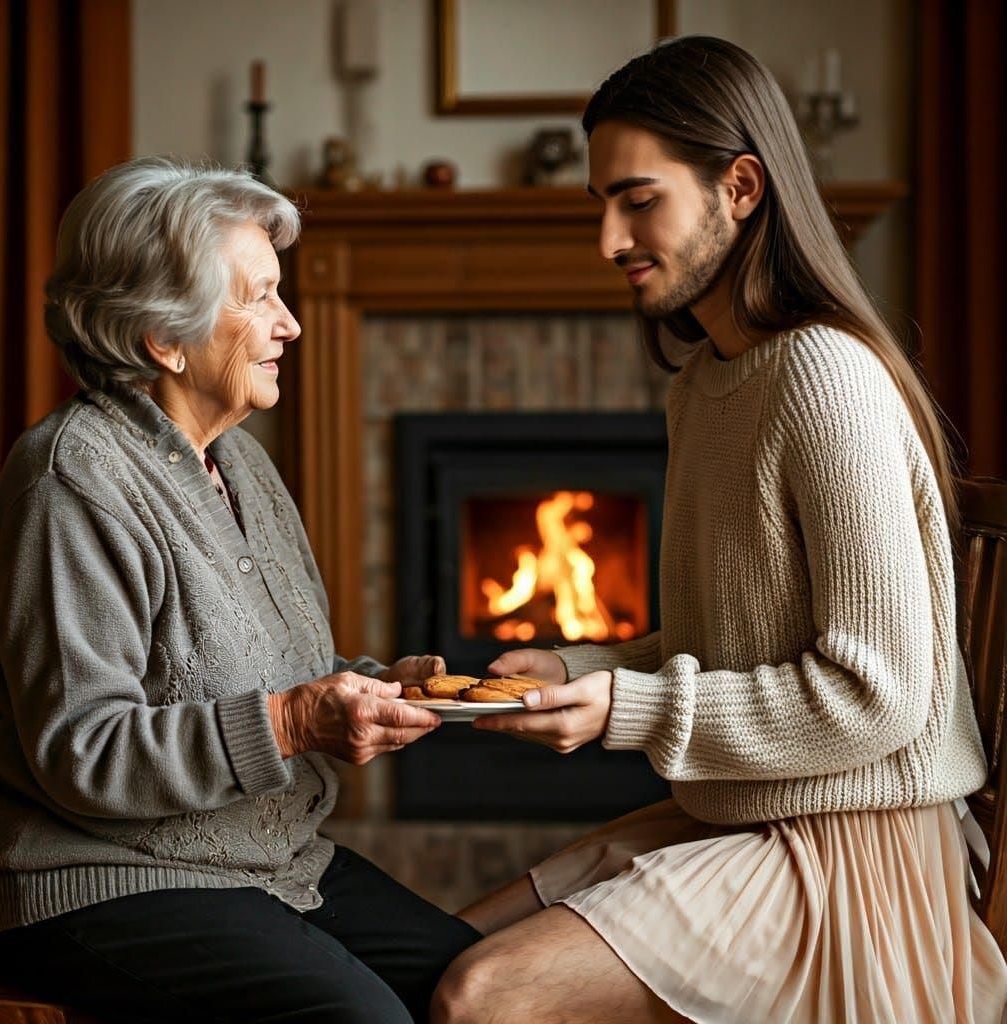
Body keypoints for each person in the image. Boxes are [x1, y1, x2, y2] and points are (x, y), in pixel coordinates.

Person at [430, 36, 1007, 1024]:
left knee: (481, 995)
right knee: (438, 952)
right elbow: (727, 645)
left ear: (741, 187)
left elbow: (879, 695)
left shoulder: (824, 378)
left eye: (638, 199)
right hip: (742, 818)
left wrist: (628, 708)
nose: (608, 238)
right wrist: (574, 668)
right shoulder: (704, 386)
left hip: (852, 856)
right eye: (599, 205)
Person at [0, 156, 479, 1024]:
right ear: (163, 338)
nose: (290, 324)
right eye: (259, 298)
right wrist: (294, 722)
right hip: (95, 876)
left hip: (271, 861)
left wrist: (376, 685)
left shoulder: (239, 461)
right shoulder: (73, 476)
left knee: (484, 988)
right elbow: (83, 750)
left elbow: (272, 671)